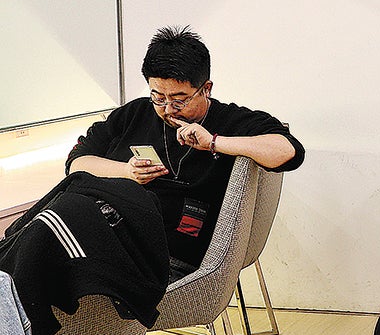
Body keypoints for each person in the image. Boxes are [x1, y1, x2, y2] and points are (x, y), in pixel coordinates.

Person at [67, 26, 304, 280]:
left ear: (206, 89)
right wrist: (126, 171)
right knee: (47, 233)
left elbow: (289, 152)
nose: (168, 109)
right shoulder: (134, 114)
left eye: (180, 100)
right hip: (108, 238)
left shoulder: (230, 121)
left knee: (50, 260)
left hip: (170, 257)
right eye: (158, 97)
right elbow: (76, 165)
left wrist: (214, 142)